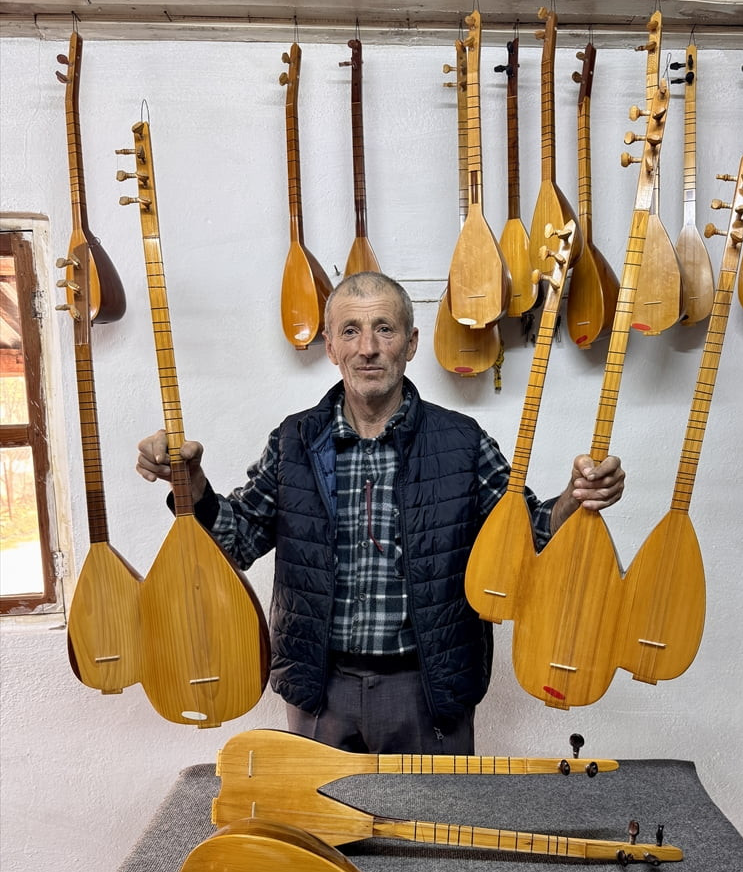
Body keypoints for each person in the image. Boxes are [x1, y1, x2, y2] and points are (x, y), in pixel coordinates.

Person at [137, 272, 625, 755]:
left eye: (384, 329)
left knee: (429, 834)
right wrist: (191, 483)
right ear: (330, 347)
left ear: (410, 344)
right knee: (319, 835)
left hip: (428, 691)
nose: (367, 347)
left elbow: (529, 542)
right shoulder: (293, 442)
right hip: (318, 692)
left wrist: (574, 499)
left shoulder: (463, 443)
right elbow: (236, 542)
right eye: (350, 330)